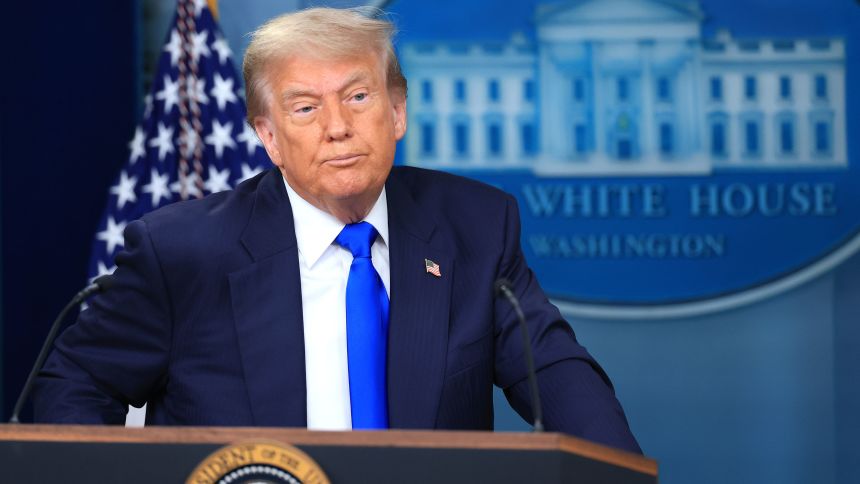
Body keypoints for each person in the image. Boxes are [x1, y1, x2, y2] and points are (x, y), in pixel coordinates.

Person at [34, 7, 641, 453]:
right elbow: (76, 381)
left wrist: (617, 468)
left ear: (397, 111)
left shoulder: (475, 227)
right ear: (268, 136)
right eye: (305, 107)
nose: (338, 127)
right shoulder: (183, 251)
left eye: (358, 96)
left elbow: (558, 374)